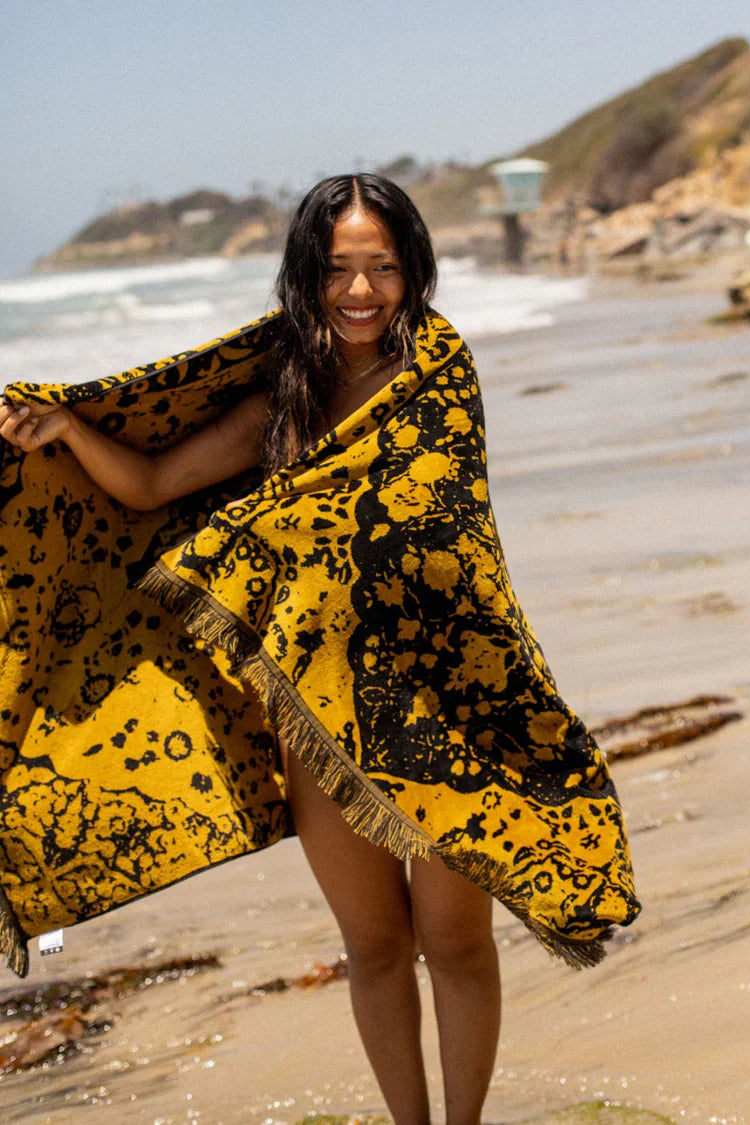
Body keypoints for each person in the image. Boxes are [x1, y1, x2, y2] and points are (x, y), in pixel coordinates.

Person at [0, 174, 638, 1125]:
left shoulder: (439, 374)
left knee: (456, 942)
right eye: (339, 269)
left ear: (413, 270)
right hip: (323, 724)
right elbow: (151, 486)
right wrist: (67, 428)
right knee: (375, 947)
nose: (361, 290)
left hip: (450, 713)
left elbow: (453, 548)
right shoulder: (284, 399)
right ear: (307, 275)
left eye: (383, 266)